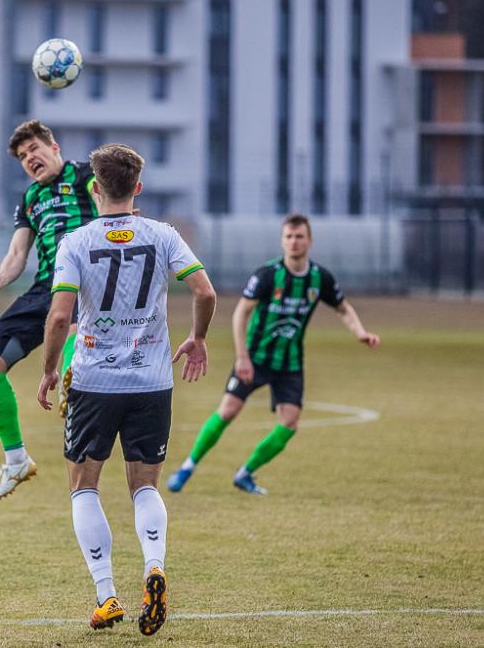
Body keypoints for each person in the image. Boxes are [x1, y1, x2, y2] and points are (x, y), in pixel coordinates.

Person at [36, 144, 216, 635]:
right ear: (138, 187)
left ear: (95, 188)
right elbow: (204, 291)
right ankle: (154, 567)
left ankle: (107, 596)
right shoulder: (163, 235)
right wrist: (198, 338)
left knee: (84, 486)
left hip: (94, 381)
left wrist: (50, 369)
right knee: (145, 487)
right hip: (152, 380)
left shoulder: (76, 242)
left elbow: (59, 317)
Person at [166, 213, 380, 496]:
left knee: (289, 423)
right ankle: (187, 467)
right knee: (228, 411)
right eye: (289, 236)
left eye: (299, 236)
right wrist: (242, 357)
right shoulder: (268, 275)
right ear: (282, 241)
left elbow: (343, 308)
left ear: (310, 241)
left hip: (289, 363)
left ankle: (245, 473)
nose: (294, 242)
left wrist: (360, 332)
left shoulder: (320, 278)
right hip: (254, 358)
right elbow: (241, 314)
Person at [0, 120, 98, 501]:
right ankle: (16, 460)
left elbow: (108, 206)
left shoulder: (85, 175)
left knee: (72, 327)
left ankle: (73, 388)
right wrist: (0, 277)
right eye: (23, 156)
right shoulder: (30, 199)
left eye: (34, 149)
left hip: (86, 280)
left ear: (53, 146)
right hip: (45, 287)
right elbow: (17, 252)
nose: (29, 159)